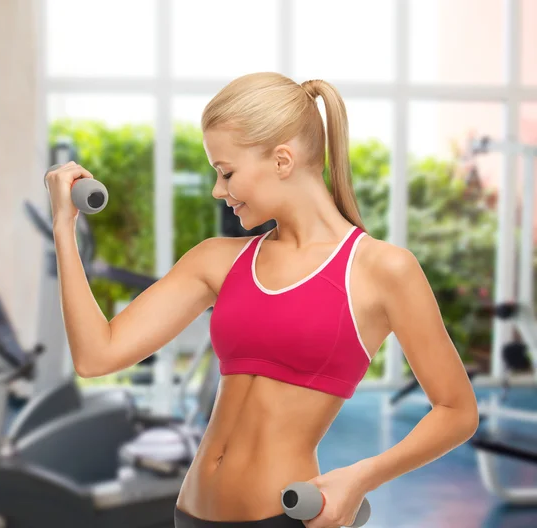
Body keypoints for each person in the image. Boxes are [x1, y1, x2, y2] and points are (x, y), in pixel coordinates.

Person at [45, 72, 480, 528]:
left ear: (282, 160)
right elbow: (97, 356)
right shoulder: (217, 260)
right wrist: (63, 229)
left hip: (281, 518)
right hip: (189, 515)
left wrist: (360, 478)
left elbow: (457, 411)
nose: (218, 190)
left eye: (226, 171)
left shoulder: (382, 270)